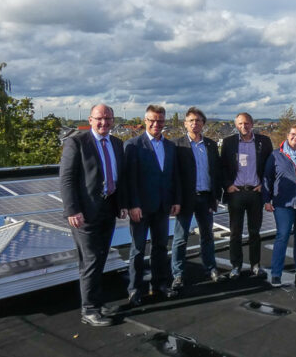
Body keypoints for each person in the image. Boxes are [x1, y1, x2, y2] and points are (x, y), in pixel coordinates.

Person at [60, 104, 127, 326]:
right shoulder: (77, 142)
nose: (103, 123)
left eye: (108, 119)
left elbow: (119, 177)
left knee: (100, 258)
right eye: (99, 118)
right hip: (85, 213)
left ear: (113, 120)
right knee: (90, 260)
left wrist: (122, 204)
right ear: (90, 120)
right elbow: (67, 178)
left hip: (108, 209)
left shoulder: (117, 143)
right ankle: (89, 310)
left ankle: (96, 302)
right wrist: (72, 209)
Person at [125, 105, 181, 306]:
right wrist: (133, 205)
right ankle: (134, 289)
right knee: (138, 250)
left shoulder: (170, 146)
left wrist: (176, 200)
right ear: (145, 121)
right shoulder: (133, 145)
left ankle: (159, 284)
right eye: (152, 120)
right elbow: (129, 178)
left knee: (160, 247)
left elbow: (174, 176)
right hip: (140, 208)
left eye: (160, 121)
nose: (156, 124)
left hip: (163, 206)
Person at [171, 107, 224, 293]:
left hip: (206, 197)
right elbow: (174, 175)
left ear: (203, 124)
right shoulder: (177, 145)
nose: (195, 124)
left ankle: (210, 268)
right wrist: (175, 200)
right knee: (180, 238)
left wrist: (216, 197)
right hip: (186, 199)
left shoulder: (210, 145)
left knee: (207, 236)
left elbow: (216, 173)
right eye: (191, 120)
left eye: (198, 121)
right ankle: (178, 274)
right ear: (185, 124)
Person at [263, 125, 296, 287]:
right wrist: (266, 200)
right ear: (287, 136)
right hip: (283, 203)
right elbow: (267, 178)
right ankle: (276, 273)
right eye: (293, 134)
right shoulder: (276, 155)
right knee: (282, 236)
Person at [221, 112, 273, 279]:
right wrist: (227, 185)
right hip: (236, 193)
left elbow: (270, 166)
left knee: (254, 232)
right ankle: (236, 266)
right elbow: (222, 167)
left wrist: (264, 186)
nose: (244, 126)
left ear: (252, 124)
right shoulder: (228, 142)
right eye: (240, 124)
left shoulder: (264, 141)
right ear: (236, 125)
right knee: (235, 232)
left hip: (255, 193)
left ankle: (255, 265)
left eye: (247, 123)